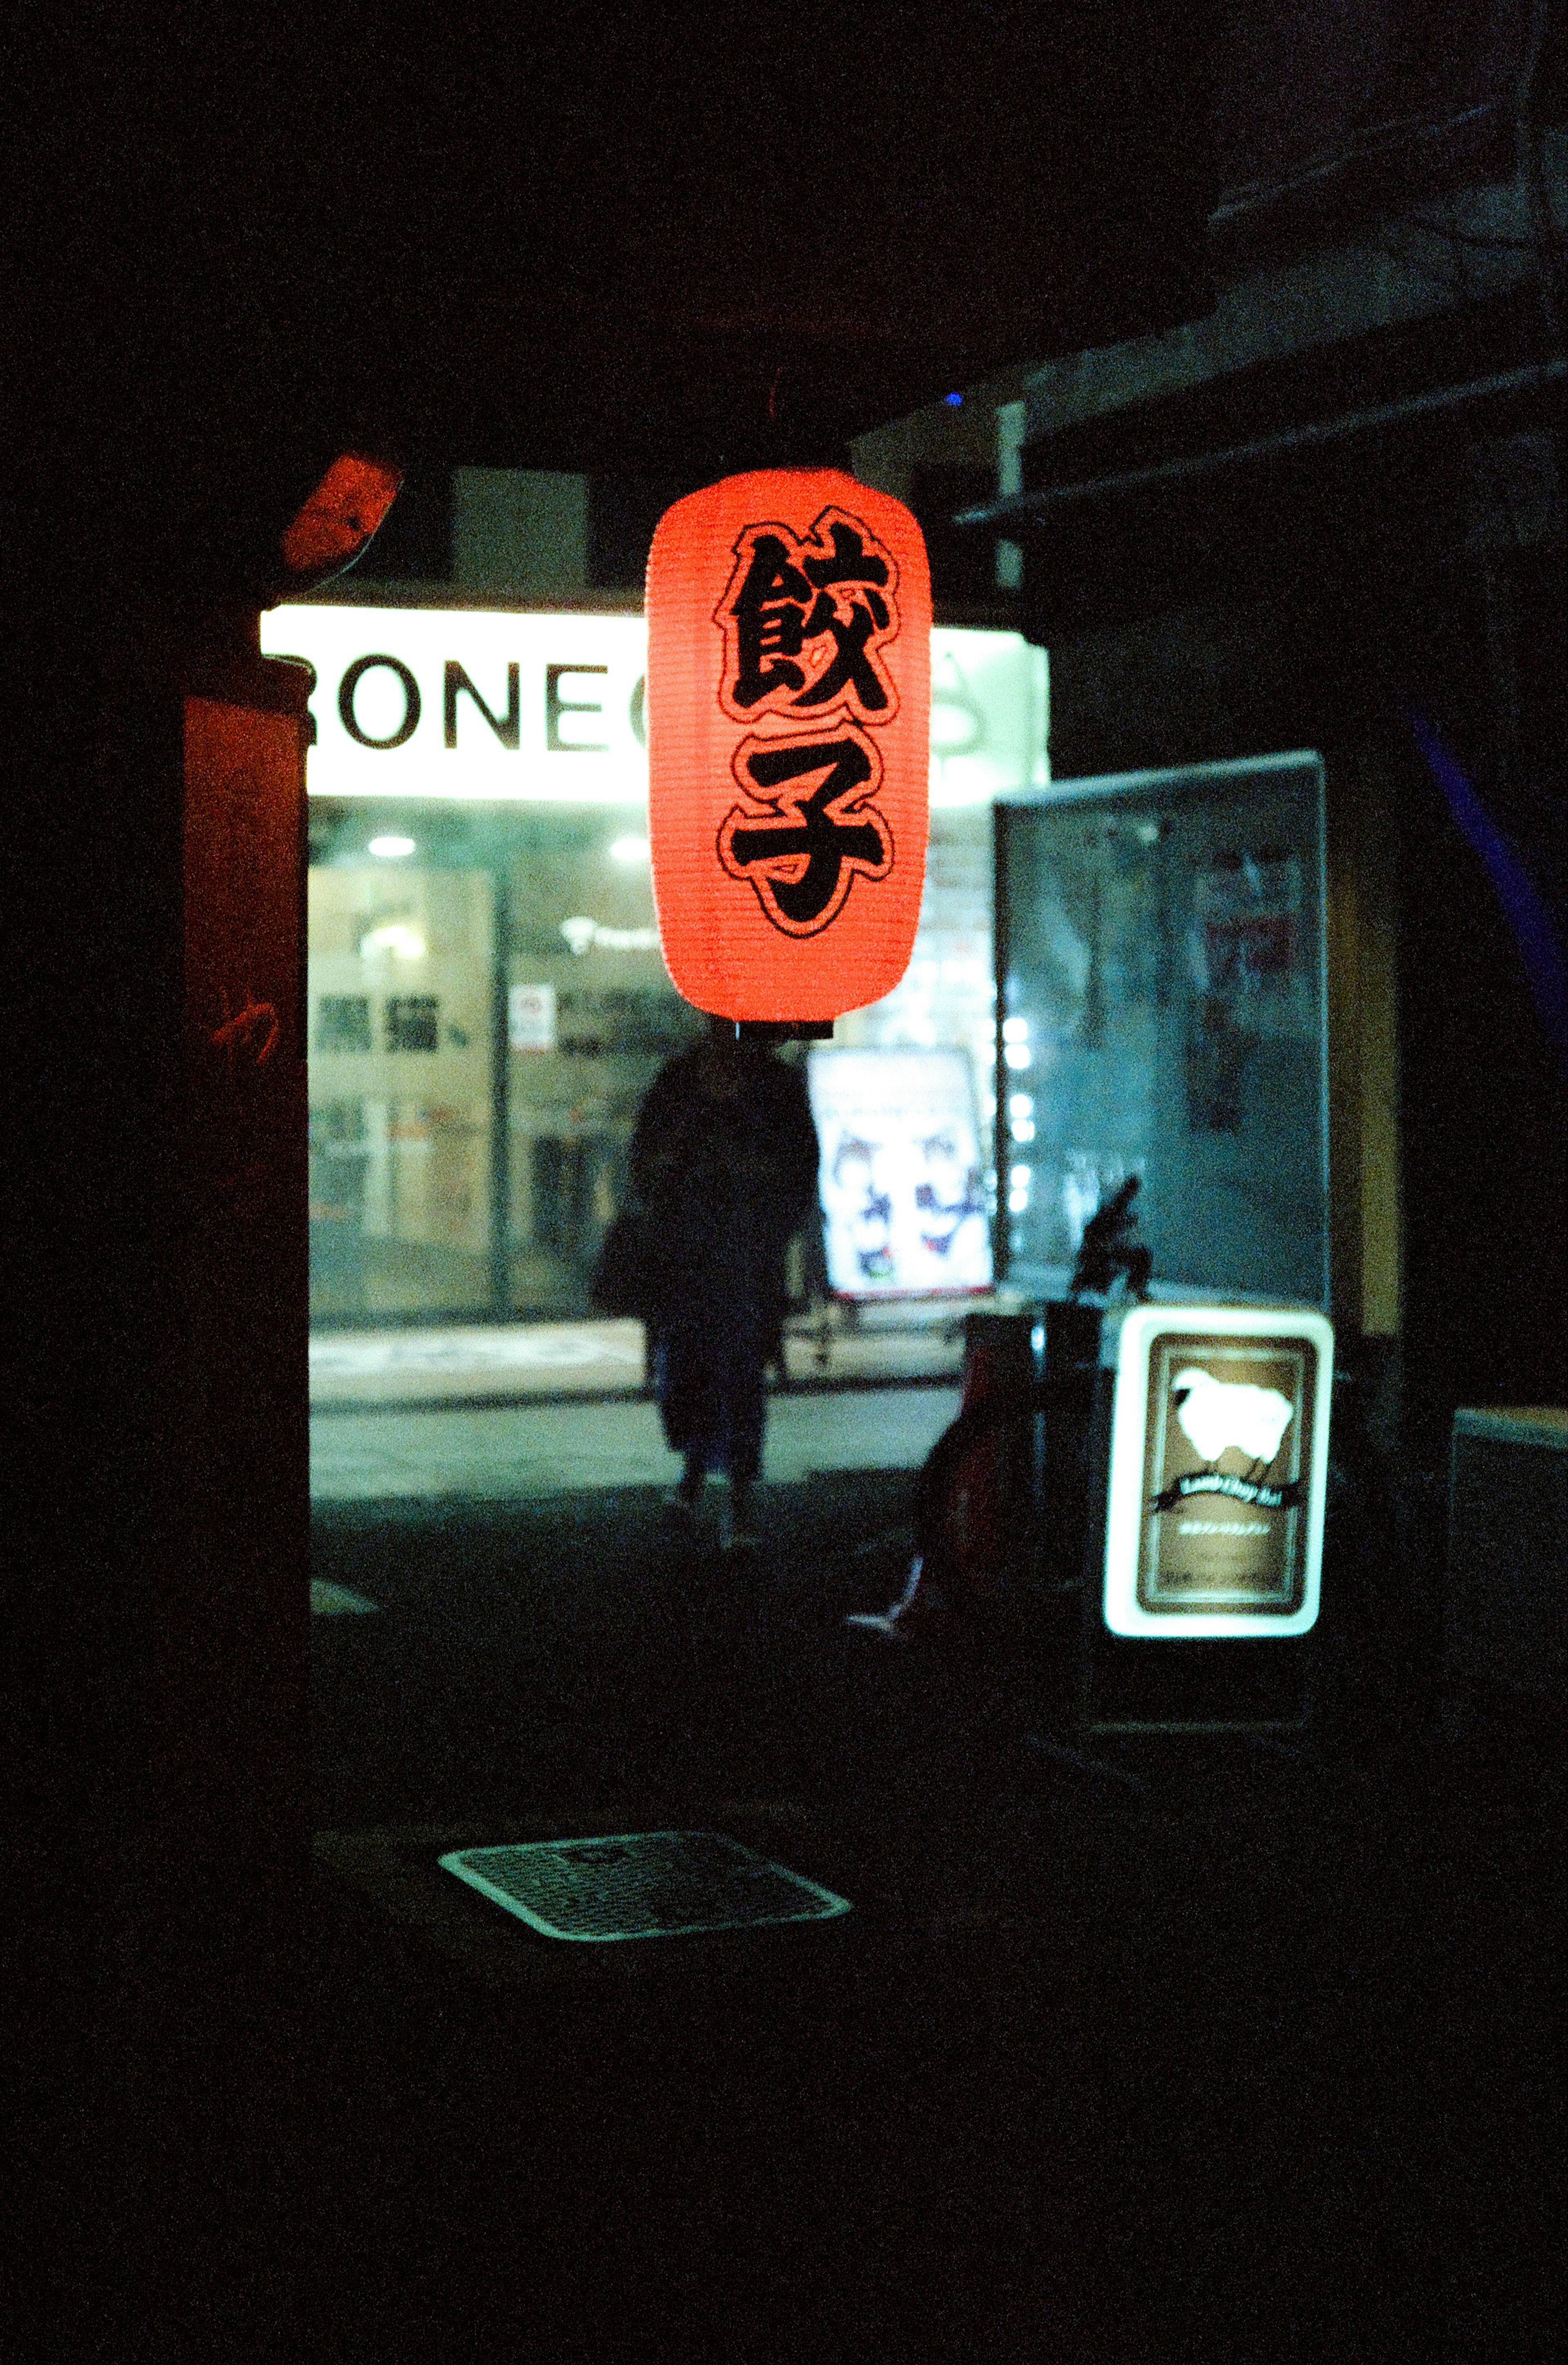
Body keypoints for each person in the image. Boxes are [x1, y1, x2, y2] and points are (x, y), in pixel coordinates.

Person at [629, 1015, 820, 1548]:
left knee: (737, 1373)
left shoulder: (768, 1086)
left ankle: (731, 1496)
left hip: (742, 1257)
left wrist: (744, 1176)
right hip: (691, 1256)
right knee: (693, 1370)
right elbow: (645, 1160)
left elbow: (798, 1171)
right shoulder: (684, 1080)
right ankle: (700, 1482)